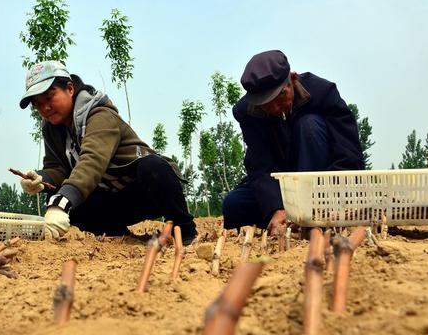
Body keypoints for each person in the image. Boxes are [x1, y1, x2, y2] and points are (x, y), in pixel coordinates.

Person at [18, 60, 197, 242]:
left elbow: (92, 162)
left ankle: (185, 230)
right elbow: (58, 168)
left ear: (70, 89)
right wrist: (42, 179)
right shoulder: (51, 129)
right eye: (37, 104)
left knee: (152, 167)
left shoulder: (100, 115)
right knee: (55, 191)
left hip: (145, 191)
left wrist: (61, 203)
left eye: (49, 97)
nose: (45, 108)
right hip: (112, 199)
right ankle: (117, 235)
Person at [223, 50, 364, 232]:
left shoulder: (323, 93)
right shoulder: (247, 112)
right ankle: (283, 221)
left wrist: (324, 200)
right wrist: (276, 207)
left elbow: (348, 152)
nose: (274, 107)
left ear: (293, 79)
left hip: (323, 185)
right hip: (281, 185)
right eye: (266, 103)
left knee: (310, 125)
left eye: (280, 96)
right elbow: (260, 164)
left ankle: (312, 213)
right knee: (233, 204)